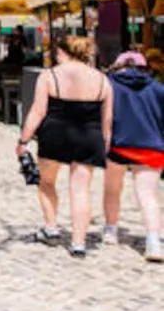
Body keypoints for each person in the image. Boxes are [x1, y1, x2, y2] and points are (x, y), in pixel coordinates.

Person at [17, 35, 112, 256]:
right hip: (89, 136)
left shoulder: (49, 76)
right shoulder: (102, 80)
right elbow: (107, 119)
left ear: (63, 53)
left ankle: (51, 227)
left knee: (46, 182)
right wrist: (106, 143)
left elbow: (37, 112)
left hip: (55, 134)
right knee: (81, 190)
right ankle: (78, 242)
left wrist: (23, 140)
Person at [104, 51, 164, 261]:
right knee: (148, 195)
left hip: (118, 144)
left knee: (112, 189)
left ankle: (111, 230)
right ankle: (154, 242)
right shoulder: (158, 88)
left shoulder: (110, 85)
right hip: (151, 146)